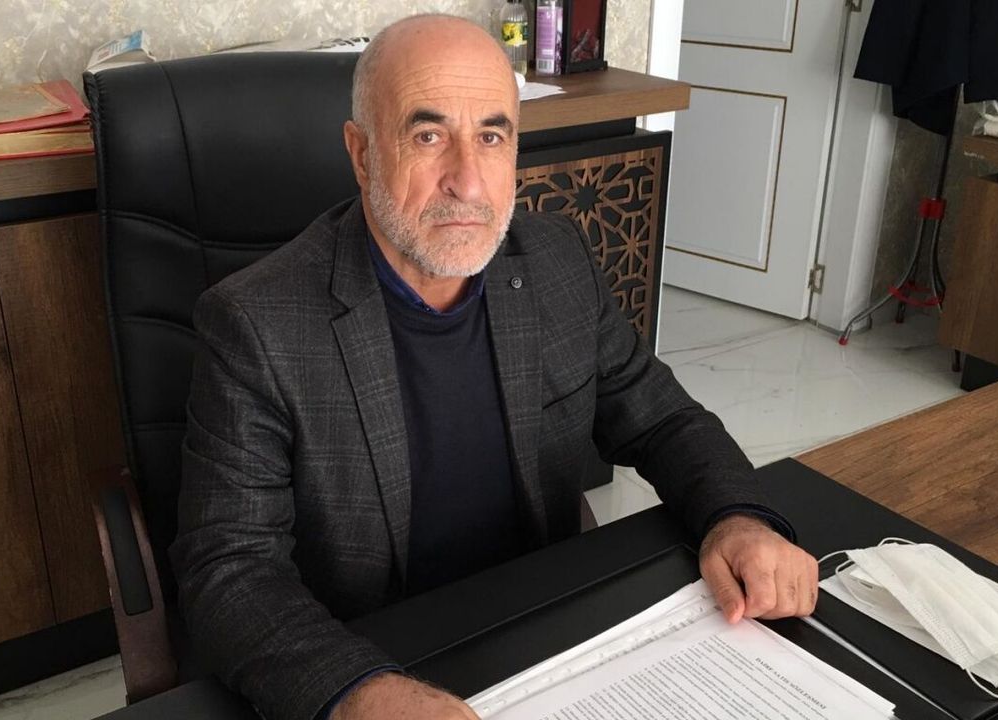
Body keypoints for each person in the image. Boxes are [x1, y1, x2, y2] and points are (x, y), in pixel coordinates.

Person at [170, 13, 819, 720]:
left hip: (541, 640)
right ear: (361, 154)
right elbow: (229, 567)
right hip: (365, 654)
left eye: (491, 136)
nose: (468, 182)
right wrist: (360, 695)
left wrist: (737, 516)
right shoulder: (255, 324)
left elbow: (661, 418)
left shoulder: (556, 260)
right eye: (427, 136)